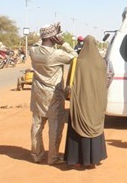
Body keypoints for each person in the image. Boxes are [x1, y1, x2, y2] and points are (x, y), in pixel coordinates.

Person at [29, 22, 77, 165]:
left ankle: (37, 155)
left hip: (37, 93)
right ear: (54, 38)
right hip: (53, 95)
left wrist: (50, 33)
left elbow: (40, 42)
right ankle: (53, 157)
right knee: (55, 125)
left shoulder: (33, 51)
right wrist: (63, 43)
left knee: (37, 124)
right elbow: (74, 56)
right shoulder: (57, 54)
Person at [64, 35, 108, 169]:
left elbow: (69, 83)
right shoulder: (102, 63)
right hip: (96, 103)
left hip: (80, 103)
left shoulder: (78, 61)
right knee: (95, 127)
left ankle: (77, 159)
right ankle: (94, 159)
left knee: (77, 127)